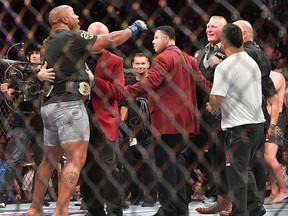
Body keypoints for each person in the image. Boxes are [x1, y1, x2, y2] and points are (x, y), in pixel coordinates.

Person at [26, 5, 147, 216]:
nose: (77, 17)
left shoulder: (47, 42)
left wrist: (38, 75)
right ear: (64, 19)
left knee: (49, 159)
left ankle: (35, 209)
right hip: (71, 107)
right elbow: (110, 40)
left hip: (50, 105)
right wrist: (134, 29)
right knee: (76, 160)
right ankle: (61, 210)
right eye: (74, 14)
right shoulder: (74, 36)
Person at [124, 25, 212, 216]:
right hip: (187, 122)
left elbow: (150, 83)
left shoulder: (164, 57)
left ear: (166, 38)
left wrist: (124, 92)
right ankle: (179, 208)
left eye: (156, 38)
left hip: (168, 121)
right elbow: (204, 85)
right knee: (177, 165)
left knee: (166, 165)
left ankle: (169, 209)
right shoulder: (188, 58)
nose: (153, 42)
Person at [206, 23, 266, 216]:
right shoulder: (251, 62)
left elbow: (215, 101)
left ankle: (239, 212)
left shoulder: (225, 67)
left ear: (223, 43)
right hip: (257, 125)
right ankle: (255, 207)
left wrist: (211, 106)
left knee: (235, 173)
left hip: (240, 127)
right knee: (244, 169)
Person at [0, 41, 54, 207]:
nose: (36, 56)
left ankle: (40, 196)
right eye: (33, 54)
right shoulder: (20, 73)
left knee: (41, 160)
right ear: (29, 56)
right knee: (15, 157)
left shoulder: (47, 72)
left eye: (38, 53)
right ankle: (2, 194)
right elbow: (9, 94)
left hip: (40, 121)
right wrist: (7, 91)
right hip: (22, 121)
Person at [80, 22, 126, 216]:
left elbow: (118, 91)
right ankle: (94, 210)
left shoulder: (115, 61)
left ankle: (115, 211)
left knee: (107, 168)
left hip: (103, 120)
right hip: (79, 119)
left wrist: (93, 80)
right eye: (94, 37)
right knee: (85, 168)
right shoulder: (76, 56)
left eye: (102, 38)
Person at [233, 20, 279, 208]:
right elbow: (271, 95)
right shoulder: (261, 56)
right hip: (259, 111)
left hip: (245, 111)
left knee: (242, 160)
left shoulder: (245, 54)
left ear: (243, 34)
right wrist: (273, 125)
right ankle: (256, 201)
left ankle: (248, 203)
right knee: (255, 159)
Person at [195, 16, 232, 214]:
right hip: (206, 114)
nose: (209, 29)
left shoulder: (231, 50)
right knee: (215, 159)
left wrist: (220, 64)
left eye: (214, 26)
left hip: (225, 112)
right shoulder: (201, 52)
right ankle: (222, 199)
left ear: (224, 29)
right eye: (208, 26)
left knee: (228, 158)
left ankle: (234, 200)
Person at [119, 52, 157, 207]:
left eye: (143, 63)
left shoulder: (154, 82)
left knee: (151, 166)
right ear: (133, 65)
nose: (140, 66)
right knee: (129, 166)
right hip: (130, 132)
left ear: (148, 64)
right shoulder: (128, 84)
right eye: (138, 64)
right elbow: (123, 106)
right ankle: (133, 196)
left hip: (150, 132)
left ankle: (149, 198)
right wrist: (122, 126)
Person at [264, 70, 288, 204]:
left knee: (269, 156)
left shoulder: (276, 76)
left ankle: (284, 190)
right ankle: (273, 189)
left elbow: (268, 91)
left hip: (276, 119)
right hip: (264, 119)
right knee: (265, 158)